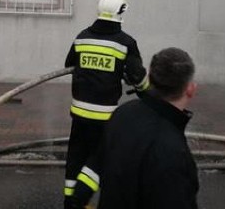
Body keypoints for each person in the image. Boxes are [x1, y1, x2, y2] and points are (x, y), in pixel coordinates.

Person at [71, 47, 199, 209]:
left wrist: (79, 195)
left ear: (150, 80)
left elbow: (98, 159)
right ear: (190, 89)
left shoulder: (122, 114)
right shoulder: (173, 151)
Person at [62, 0, 149, 208]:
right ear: (121, 12)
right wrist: (147, 94)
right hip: (105, 117)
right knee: (100, 160)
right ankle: (98, 202)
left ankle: (71, 202)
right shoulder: (126, 43)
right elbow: (137, 77)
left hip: (79, 115)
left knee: (76, 157)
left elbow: (69, 64)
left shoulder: (82, 37)